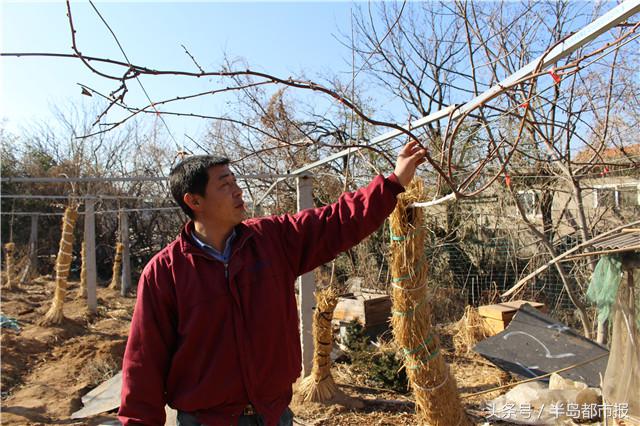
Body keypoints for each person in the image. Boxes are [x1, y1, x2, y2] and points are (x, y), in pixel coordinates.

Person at [118, 141, 427, 426]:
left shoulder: (271, 240)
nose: (238, 191)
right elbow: (143, 363)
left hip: (274, 414)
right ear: (194, 200)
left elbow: (335, 222)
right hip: (206, 421)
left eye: (236, 181)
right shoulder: (165, 272)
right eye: (225, 185)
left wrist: (393, 183)